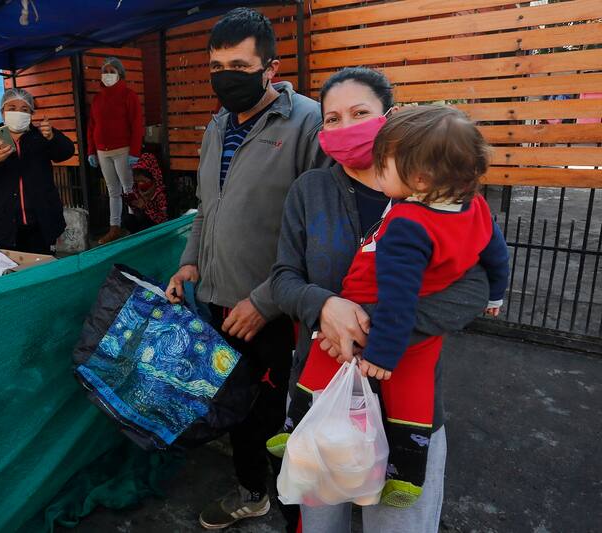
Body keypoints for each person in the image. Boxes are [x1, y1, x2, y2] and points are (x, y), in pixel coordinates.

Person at [270, 68, 495, 533]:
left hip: (407, 401)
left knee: (399, 521)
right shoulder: (310, 191)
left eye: (359, 113)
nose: (345, 126)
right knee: (320, 521)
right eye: (331, 118)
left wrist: (369, 327)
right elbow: (282, 280)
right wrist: (324, 306)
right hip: (324, 398)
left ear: (388, 118)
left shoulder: (439, 194)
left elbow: (472, 289)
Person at [164, 8, 327, 531]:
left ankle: (300, 514)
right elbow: (207, 208)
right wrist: (190, 263)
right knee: (236, 406)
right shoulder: (216, 126)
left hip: (277, 308)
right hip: (216, 298)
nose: (224, 75)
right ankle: (252, 492)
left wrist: (266, 301)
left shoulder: (309, 124)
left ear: (270, 68)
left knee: (280, 416)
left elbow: (318, 233)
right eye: (216, 65)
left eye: (238, 63)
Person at [0, 88, 75, 254]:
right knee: (13, 270)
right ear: (3, 112)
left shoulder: (40, 136)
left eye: (24, 109)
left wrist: (53, 138)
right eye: (12, 108)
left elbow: (67, 152)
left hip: (42, 221)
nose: (18, 112)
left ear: (31, 113)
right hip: (6, 224)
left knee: (43, 268)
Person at [86, 57, 144, 244]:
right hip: (103, 151)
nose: (108, 75)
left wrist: (134, 151)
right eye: (105, 71)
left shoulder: (129, 95)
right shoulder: (97, 98)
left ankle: (133, 226)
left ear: (120, 74)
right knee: (113, 190)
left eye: (112, 71)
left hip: (123, 150)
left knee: (129, 189)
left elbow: (137, 124)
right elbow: (91, 126)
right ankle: (115, 228)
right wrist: (91, 151)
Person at [121, 152, 167, 233]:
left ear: (153, 178)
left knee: (144, 225)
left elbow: (163, 220)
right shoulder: (137, 190)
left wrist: (146, 206)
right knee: (127, 219)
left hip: (156, 226)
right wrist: (134, 204)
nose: (141, 184)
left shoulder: (160, 194)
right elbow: (138, 214)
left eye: (143, 181)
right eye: (138, 181)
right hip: (143, 221)